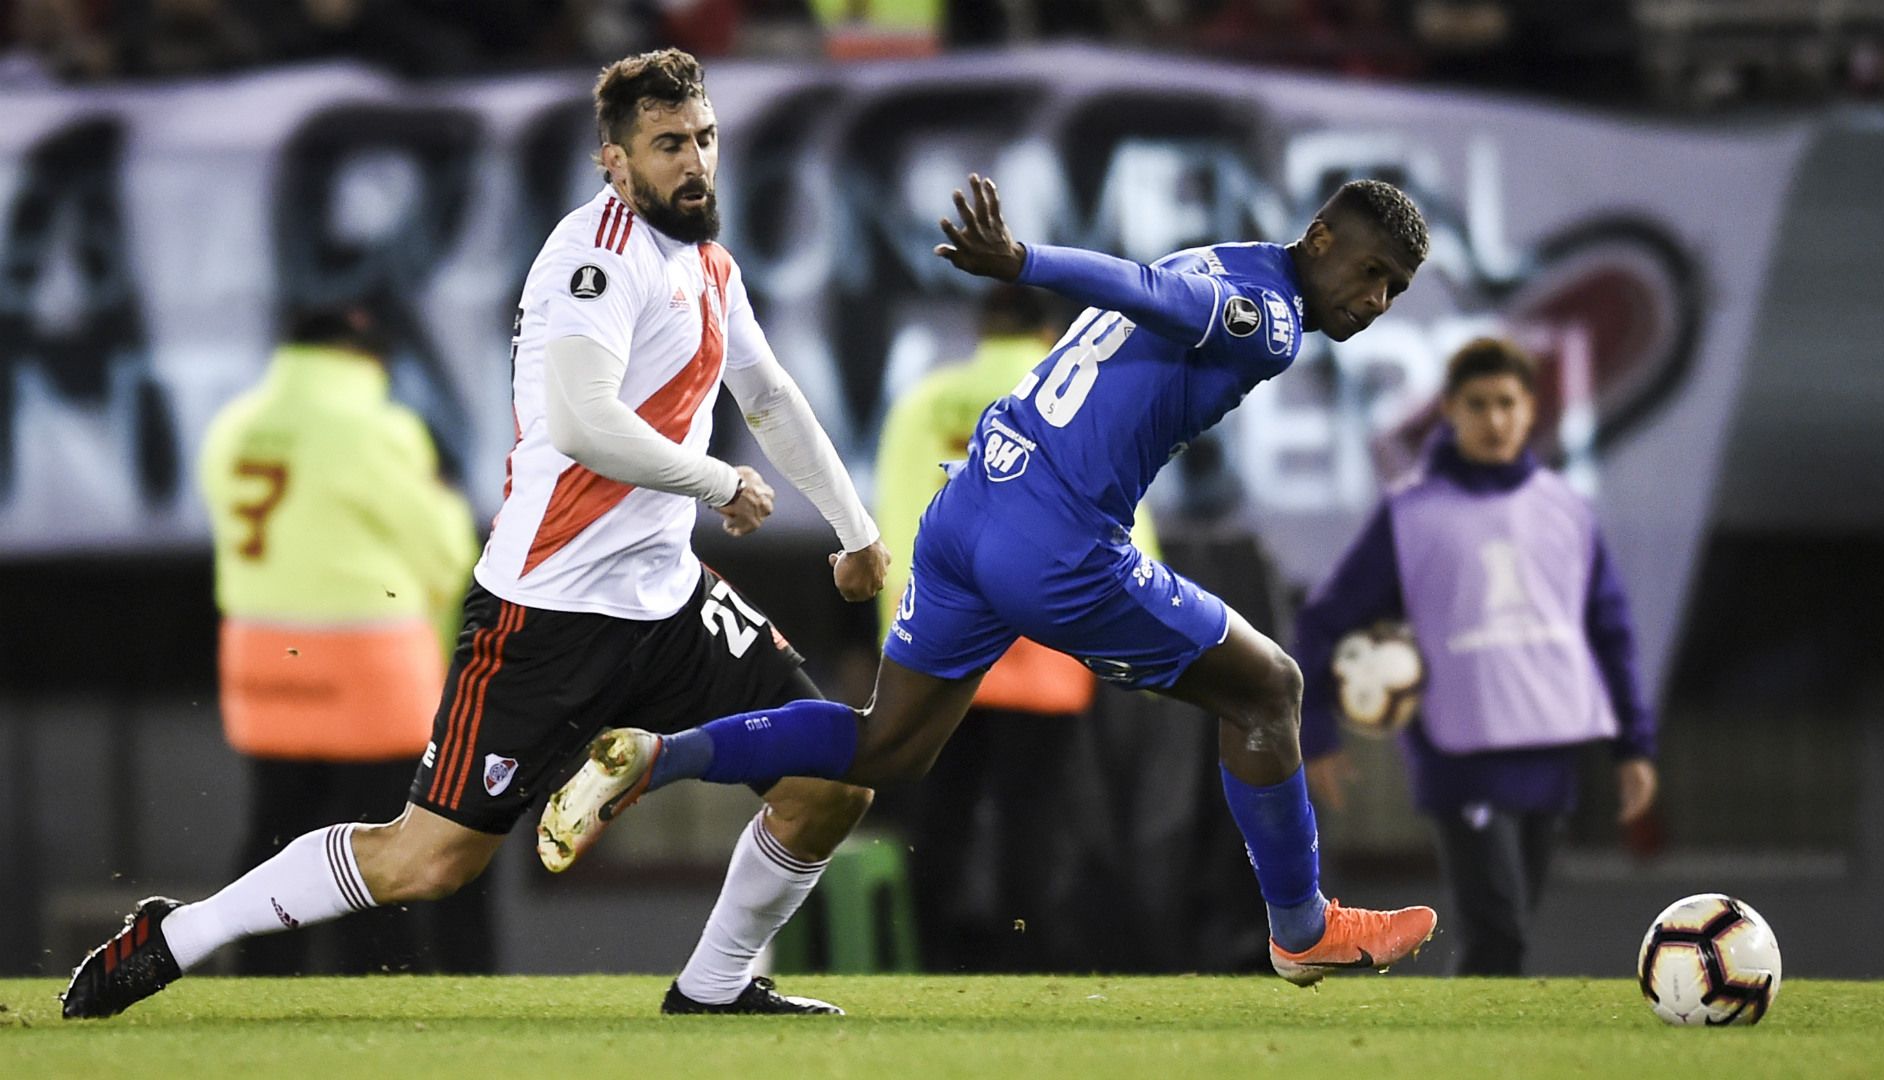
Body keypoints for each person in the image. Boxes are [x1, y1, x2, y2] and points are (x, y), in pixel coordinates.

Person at [61, 47, 891, 1020]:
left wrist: (854, 526)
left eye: (704, 138)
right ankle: (178, 935)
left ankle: (714, 987)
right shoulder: (595, 260)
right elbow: (583, 422)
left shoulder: (709, 263)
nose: (695, 162)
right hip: (547, 616)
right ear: (614, 163)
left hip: (668, 598)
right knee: (427, 861)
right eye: (667, 144)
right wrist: (718, 479)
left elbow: (770, 392)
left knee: (834, 774)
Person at [556, 173, 1441, 985]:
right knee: (1268, 691)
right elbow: (1154, 295)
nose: (1373, 301)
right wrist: (1025, 261)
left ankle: (660, 754)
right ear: (1319, 238)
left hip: (967, 509)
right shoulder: (1273, 315)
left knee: (890, 747)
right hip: (1055, 544)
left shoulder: (1220, 254)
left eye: (1393, 291)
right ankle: (1300, 928)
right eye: (1369, 273)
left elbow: (1158, 283)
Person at [1294, 337, 1659, 976]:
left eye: (1507, 404)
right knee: (1500, 931)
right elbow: (1325, 621)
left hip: (1550, 748)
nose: (1495, 420)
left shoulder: (1565, 510)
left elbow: (1610, 629)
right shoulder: (1412, 516)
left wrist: (1634, 744)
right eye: (1478, 404)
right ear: (1450, 412)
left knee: (1506, 931)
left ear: (1530, 410)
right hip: (1458, 753)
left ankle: (1469, 1042)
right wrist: (1318, 730)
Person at [198, 302, 492, 975]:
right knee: (379, 835)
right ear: (366, 359)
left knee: (274, 827)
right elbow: (444, 548)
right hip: (366, 663)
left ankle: (261, 978)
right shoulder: (371, 429)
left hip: (259, 660)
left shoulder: (235, 425)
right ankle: (380, 977)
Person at [872, 283, 1159, 970]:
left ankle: (933, 960)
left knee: (941, 810)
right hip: (1046, 644)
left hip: (941, 637)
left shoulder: (921, 406)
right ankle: (1023, 958)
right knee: (1034, 816)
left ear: (982, 324)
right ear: (1048, 332)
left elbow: (890, 516)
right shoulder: (1073, 403)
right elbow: (1122, 521)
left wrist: (899, 633)